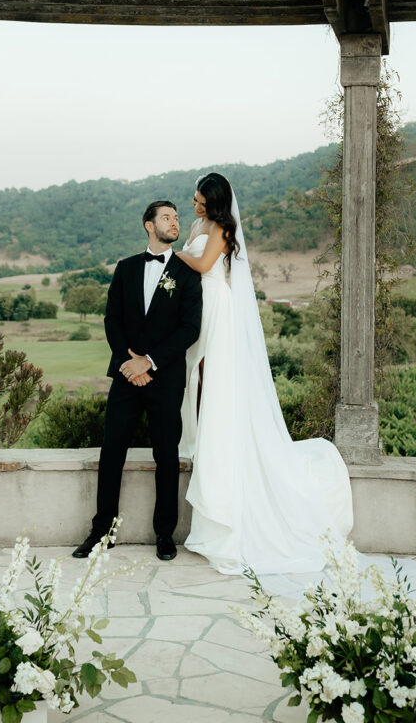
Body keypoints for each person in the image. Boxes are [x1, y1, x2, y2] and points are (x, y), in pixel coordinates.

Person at [176, 172, 354, 577]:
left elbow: (204, 264)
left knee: (215, 381)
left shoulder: (221, 227)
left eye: (200, 198)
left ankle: (219, 452)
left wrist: (170, 254)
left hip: (217, 306)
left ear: (214, 200)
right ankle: (198, 439)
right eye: (193, 198)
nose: (194, 203)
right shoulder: (195, 226)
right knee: (195, 379)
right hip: (196, 305)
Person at [73, 200, 202, 563]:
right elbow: (111, 318)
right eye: (166, 217)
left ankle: (165, 534)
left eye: (177, 218)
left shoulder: (187, 273)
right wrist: (130, 363)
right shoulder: (126, 268)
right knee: (112, 451)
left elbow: (190, 329)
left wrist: (151, 362)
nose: (174, 223)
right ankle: (101, 532)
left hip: (165, 379)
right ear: (149, 225)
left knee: (167, 456)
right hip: (127, 376)